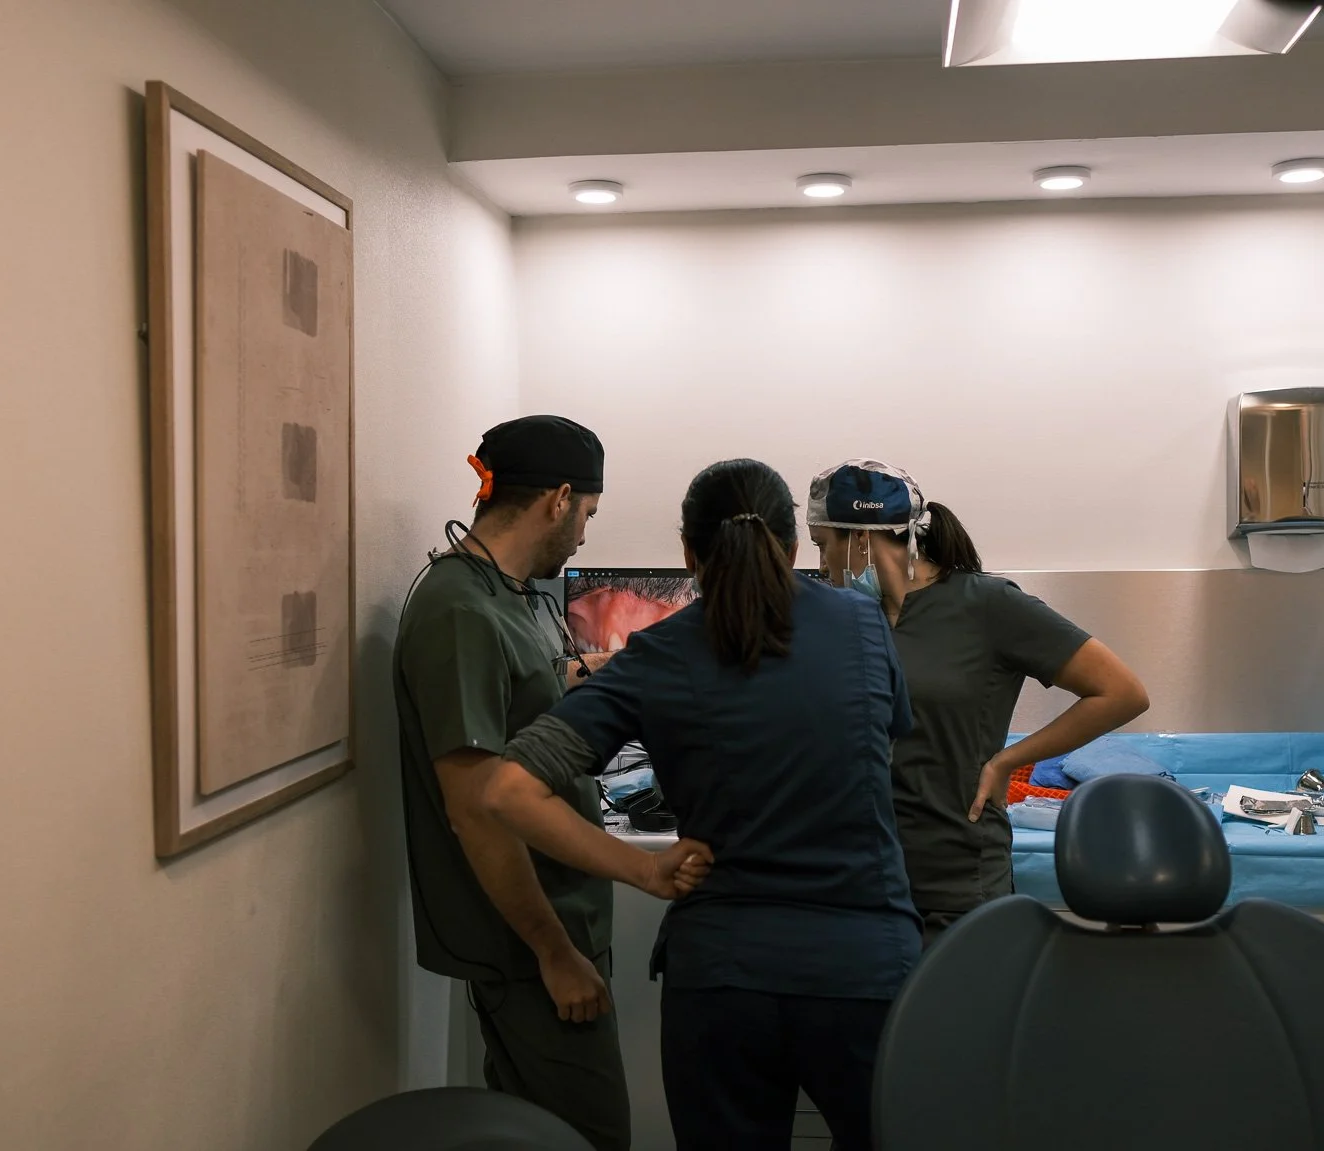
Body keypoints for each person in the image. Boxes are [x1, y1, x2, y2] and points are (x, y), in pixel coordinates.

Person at [477, 458, 923, 1151]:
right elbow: (874, 752)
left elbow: (507, 789)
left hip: (722, 979)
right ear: (795, 547)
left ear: (689, 553)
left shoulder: (657, 654)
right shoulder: (864, 625)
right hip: (862, 970)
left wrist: (641, 869)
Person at [394, 415, 703, 1151]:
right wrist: (554, 951)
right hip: (530, 941)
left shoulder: (508, 592)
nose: (586, 538)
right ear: (560, 498)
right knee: (591, 1135)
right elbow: (476, 809)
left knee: (531, 1129)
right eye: (589, 515)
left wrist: (606, 674)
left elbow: (529, 686)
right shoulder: (459, 612)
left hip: (561, 920)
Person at [806, 459, 1151, 945]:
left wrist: (1009, 758)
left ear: (861, 537)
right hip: (858, 879)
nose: (821, 565)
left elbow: (1121, 693)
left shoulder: (985, 605)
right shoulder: (846, 619)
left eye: (824, 546)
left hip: (954, 878)